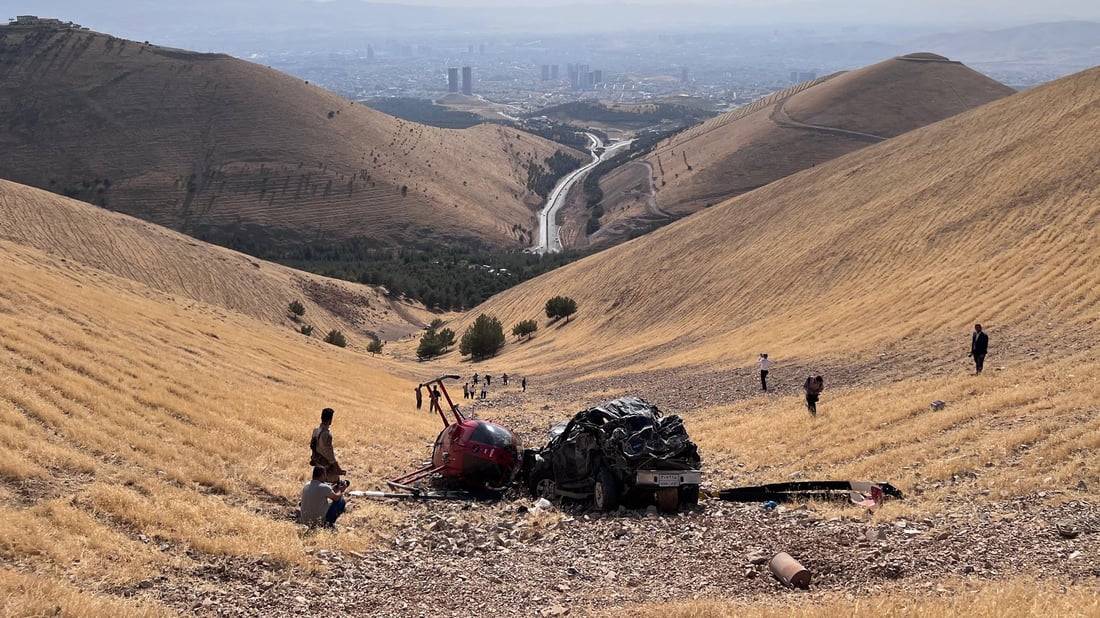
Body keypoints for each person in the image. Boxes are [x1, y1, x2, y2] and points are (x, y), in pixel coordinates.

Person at [310, 408, 346, 483]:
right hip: (326, 466)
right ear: (330, 420)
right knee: (333, 485)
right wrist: (337, 468)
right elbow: (329, 453)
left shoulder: (316, 430)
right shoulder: (326, 434)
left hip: (317, 462)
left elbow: (312, 446)